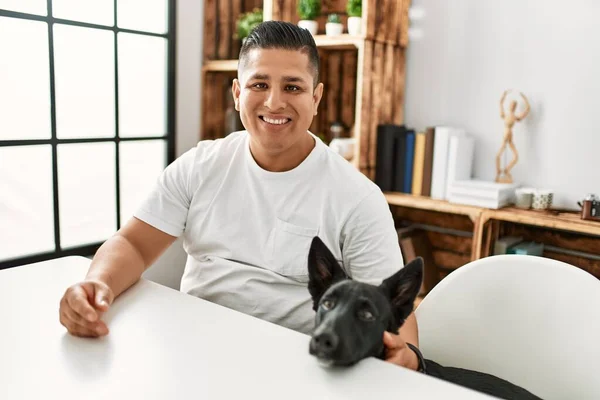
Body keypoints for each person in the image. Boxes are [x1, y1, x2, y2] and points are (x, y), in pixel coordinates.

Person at [58, 21, 421, 371]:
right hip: (193, 348)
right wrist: (97, 286)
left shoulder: (357, 197)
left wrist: (407, 358)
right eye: (259, 84)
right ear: (237, 93)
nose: (275, 102)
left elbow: (394, 317)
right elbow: (134, 244)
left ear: (316, 97)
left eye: (292, 87)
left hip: (298, 365)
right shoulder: (200, 166)